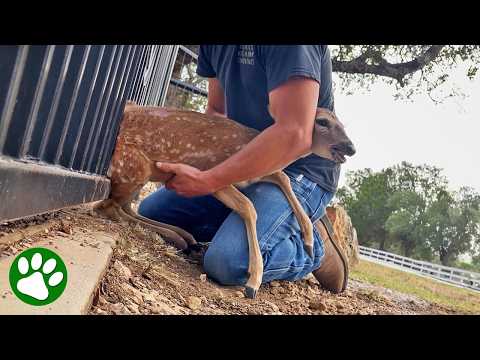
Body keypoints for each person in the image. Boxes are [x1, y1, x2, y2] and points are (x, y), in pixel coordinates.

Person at [138, 45, 348, 293]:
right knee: (154, 213)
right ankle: (259, 228)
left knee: (228, 263)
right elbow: (218, 111)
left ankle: (310, 245)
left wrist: (208, 180)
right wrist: (197, 161)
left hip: (298, 172)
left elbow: (295, 134)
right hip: (241, 162)